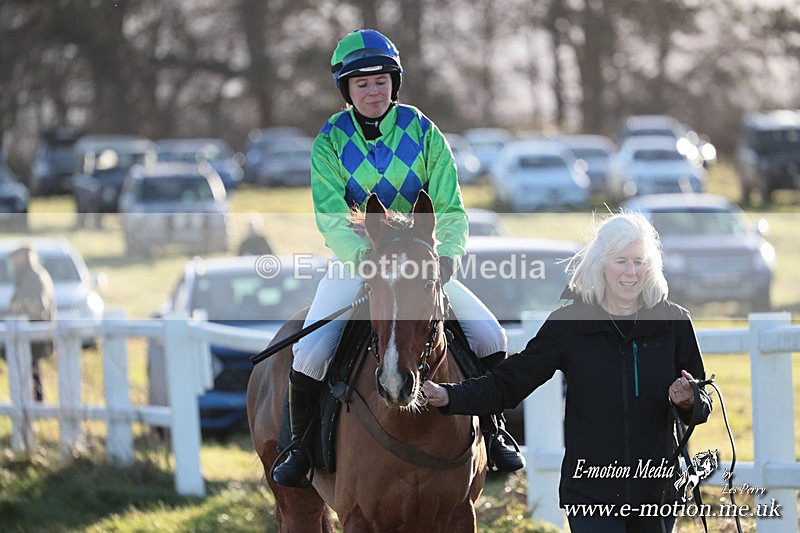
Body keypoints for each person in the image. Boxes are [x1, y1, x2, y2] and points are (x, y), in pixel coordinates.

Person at [271, 29, 523, 488]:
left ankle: (495, 431)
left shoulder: (424, 131)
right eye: (362, 83)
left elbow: (450, 208)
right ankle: (301, 450)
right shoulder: (329, 141)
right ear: (346, 89)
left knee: (491, 336)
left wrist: (447, 258)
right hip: (360, 262)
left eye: (381, 81)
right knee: (310, 351)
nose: (373, 91)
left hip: (423, 264)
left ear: (394, 83)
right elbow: (330, 217)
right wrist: (366, 259)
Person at [423, 212, 713, 533]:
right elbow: (509, 383)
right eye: (621, 261)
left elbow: (702, 401)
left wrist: (689, 400)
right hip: (591, 493)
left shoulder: (674, 323)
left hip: (655, 493)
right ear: (601, 264)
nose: (631, 272)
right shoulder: (570, 325)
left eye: (639, 261)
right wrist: (450, 395)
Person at [8, 246, 57, 402]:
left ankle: (36, 406)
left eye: (17, 258)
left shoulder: (34, 277)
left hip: (34, 334)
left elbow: (35, 308)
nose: (14, 263)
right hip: (28, 333)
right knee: (28, 372)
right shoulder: (26, 277)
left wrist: (15, 312)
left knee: (32, 372)